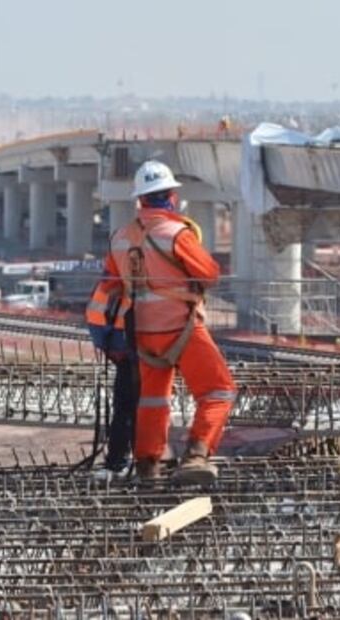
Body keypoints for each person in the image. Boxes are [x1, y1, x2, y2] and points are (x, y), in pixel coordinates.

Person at [102, 160, 236, 485]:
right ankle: (196, 455)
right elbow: (210, 273)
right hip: (182, 328)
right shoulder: (177, 234)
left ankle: (148, 465)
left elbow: (112, 279)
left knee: (152, 399)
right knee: (219, 391)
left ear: (140, 200)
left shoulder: (120, 237)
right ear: (172, 197)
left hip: (141, 333)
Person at [85, 281, 137, 473]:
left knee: (124, 408)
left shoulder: (112, 278)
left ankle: (120, 459)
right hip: (125, 348)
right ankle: (125, 460)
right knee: (129, 409)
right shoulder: (130, 281)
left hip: (115, 345)